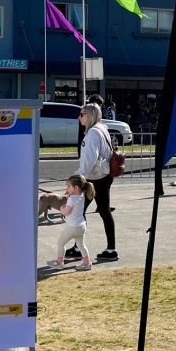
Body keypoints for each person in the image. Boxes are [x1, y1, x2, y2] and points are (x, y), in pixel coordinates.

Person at [77, 103, 118, 262]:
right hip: (102, 176)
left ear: (90, 115)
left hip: (94, 178)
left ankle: (81, 247)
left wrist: (77, 176)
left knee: (82, 212)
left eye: (82, 114)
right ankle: (110, 248)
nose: (79, 117)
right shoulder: (102, 128)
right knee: (102, 211)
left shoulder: (93, 133)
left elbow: (89, 161)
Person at [48, 175, 94, 271]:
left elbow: (66, 212)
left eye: (68, 186)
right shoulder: (81, 195)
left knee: (60, 243)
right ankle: (87, 263)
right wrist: (69, 196)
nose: (66, 188)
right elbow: (74, 202)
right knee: (81, 245)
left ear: (76, 187)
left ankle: (59, 262)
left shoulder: (72, 199)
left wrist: (61, 208)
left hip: (72, 227)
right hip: (81, 226)